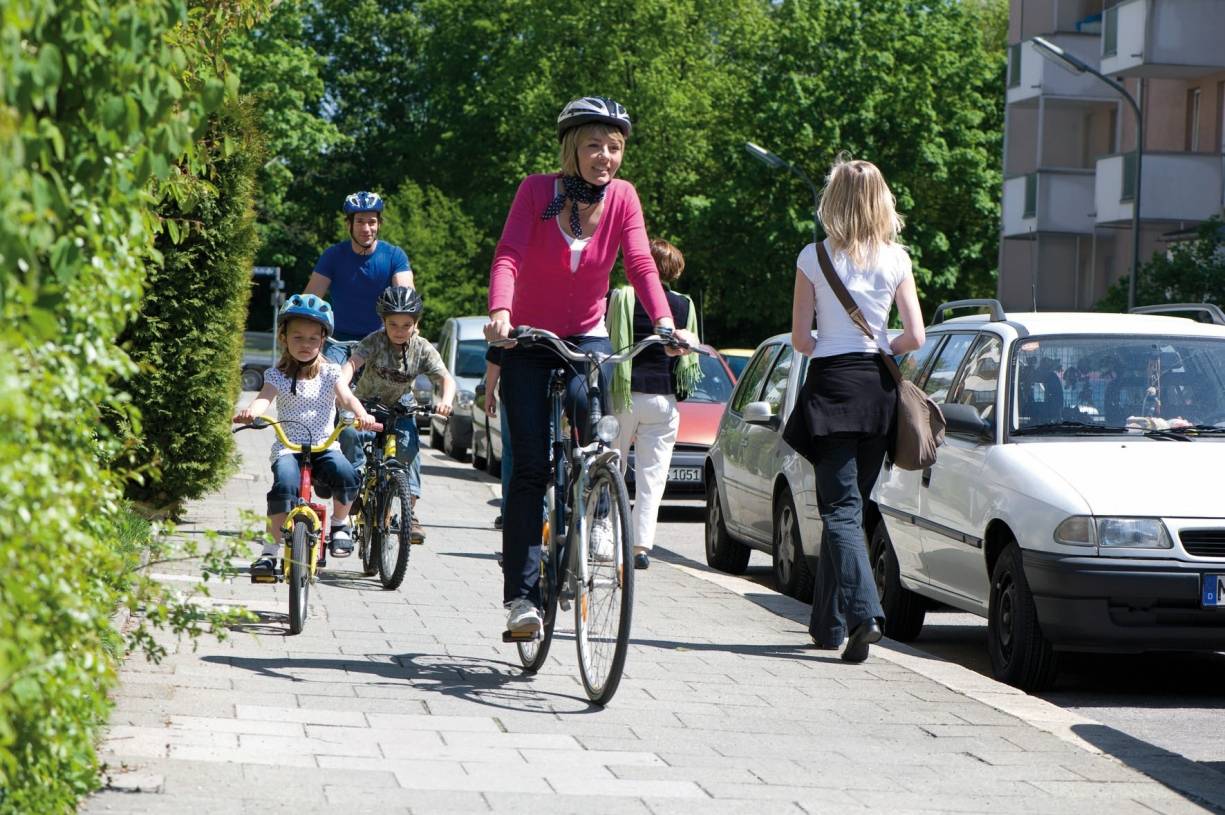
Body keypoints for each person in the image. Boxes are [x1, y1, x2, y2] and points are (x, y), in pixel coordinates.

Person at [484, 95, 697, 636]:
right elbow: (509, 253)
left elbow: (642, 262)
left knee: (596, 440)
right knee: (529, 469)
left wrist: (665, 324)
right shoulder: (536, 191)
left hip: (587, 336)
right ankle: (523, 600)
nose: (606, 156)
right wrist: (502, 313)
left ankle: (595, 514)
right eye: (594, 145)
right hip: (529, 338)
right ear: (571, 149)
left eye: (615, 147)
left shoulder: (623, 198)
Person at [789, 155, 924, 664]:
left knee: (839, 510)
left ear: (833, 203)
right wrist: (877, 341)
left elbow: (801, 340)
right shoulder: (897, 259)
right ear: (882, 202)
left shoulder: (812, 256)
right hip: (878, 391)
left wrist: (834, 340)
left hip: (832, 387)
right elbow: (915, 336)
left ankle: (865, 615)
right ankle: (827, 625)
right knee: (849, 509)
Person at [235, 294, 377, 573]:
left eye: (313, 338)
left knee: (348, 475)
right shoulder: (278, 374)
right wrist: (252, 411)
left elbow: (347, 398)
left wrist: (361, 415)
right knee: (284, 487)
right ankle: (269, 552)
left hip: (325, 446)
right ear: (283, 337)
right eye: (297, 337)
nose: (306, 344)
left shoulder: (330, 372)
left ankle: (339, 526)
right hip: (289, 447)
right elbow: (265, 398)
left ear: (323, 340)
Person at [608, 238, 702, 571]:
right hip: (664, 399)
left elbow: (609, 340)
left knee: (611, 467)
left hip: (625, 394)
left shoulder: (623, 296)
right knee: (653, 477)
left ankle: (606, 536)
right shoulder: (684, 305)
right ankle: (639, 546)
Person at [338, 286, 456, 544]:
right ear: (383, 322)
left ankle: (409, 512)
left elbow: (445, 378)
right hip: (366, 404)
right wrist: (344, 387)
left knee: (410, 449)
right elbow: (352, 364)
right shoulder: (374, 341)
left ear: (416, 323)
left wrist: (446, 402)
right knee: (349, 434)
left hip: (401, 407)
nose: (400, 331)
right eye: (393, 325)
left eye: (406, 325)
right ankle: (354, 488)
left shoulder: (422, 348)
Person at [304, 191, 414, 366]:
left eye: (372, 222)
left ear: (379, 224)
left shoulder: (394, 256)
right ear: (349, 224)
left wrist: (410, 340)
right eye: (360, 221)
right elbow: (309, 302)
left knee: (394, 388)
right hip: (338, 341)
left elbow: (407, 303)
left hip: (381, 339)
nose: (366, 229)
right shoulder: (333, 256)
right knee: (331, 382)